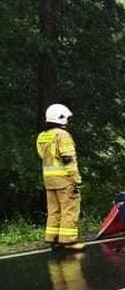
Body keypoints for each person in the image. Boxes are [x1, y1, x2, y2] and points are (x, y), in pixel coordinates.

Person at [37, 104, 84, 250]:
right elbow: (68, 158)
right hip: (65, 179)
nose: (68, 121)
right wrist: (76, 179)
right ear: (61, 118)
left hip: (49, 180)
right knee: (69, 209)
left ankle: (53, 239)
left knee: (54, 210)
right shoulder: (62, 135)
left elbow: (41, 155)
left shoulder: (42, 136)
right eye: (67, 118)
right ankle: (68, 241)